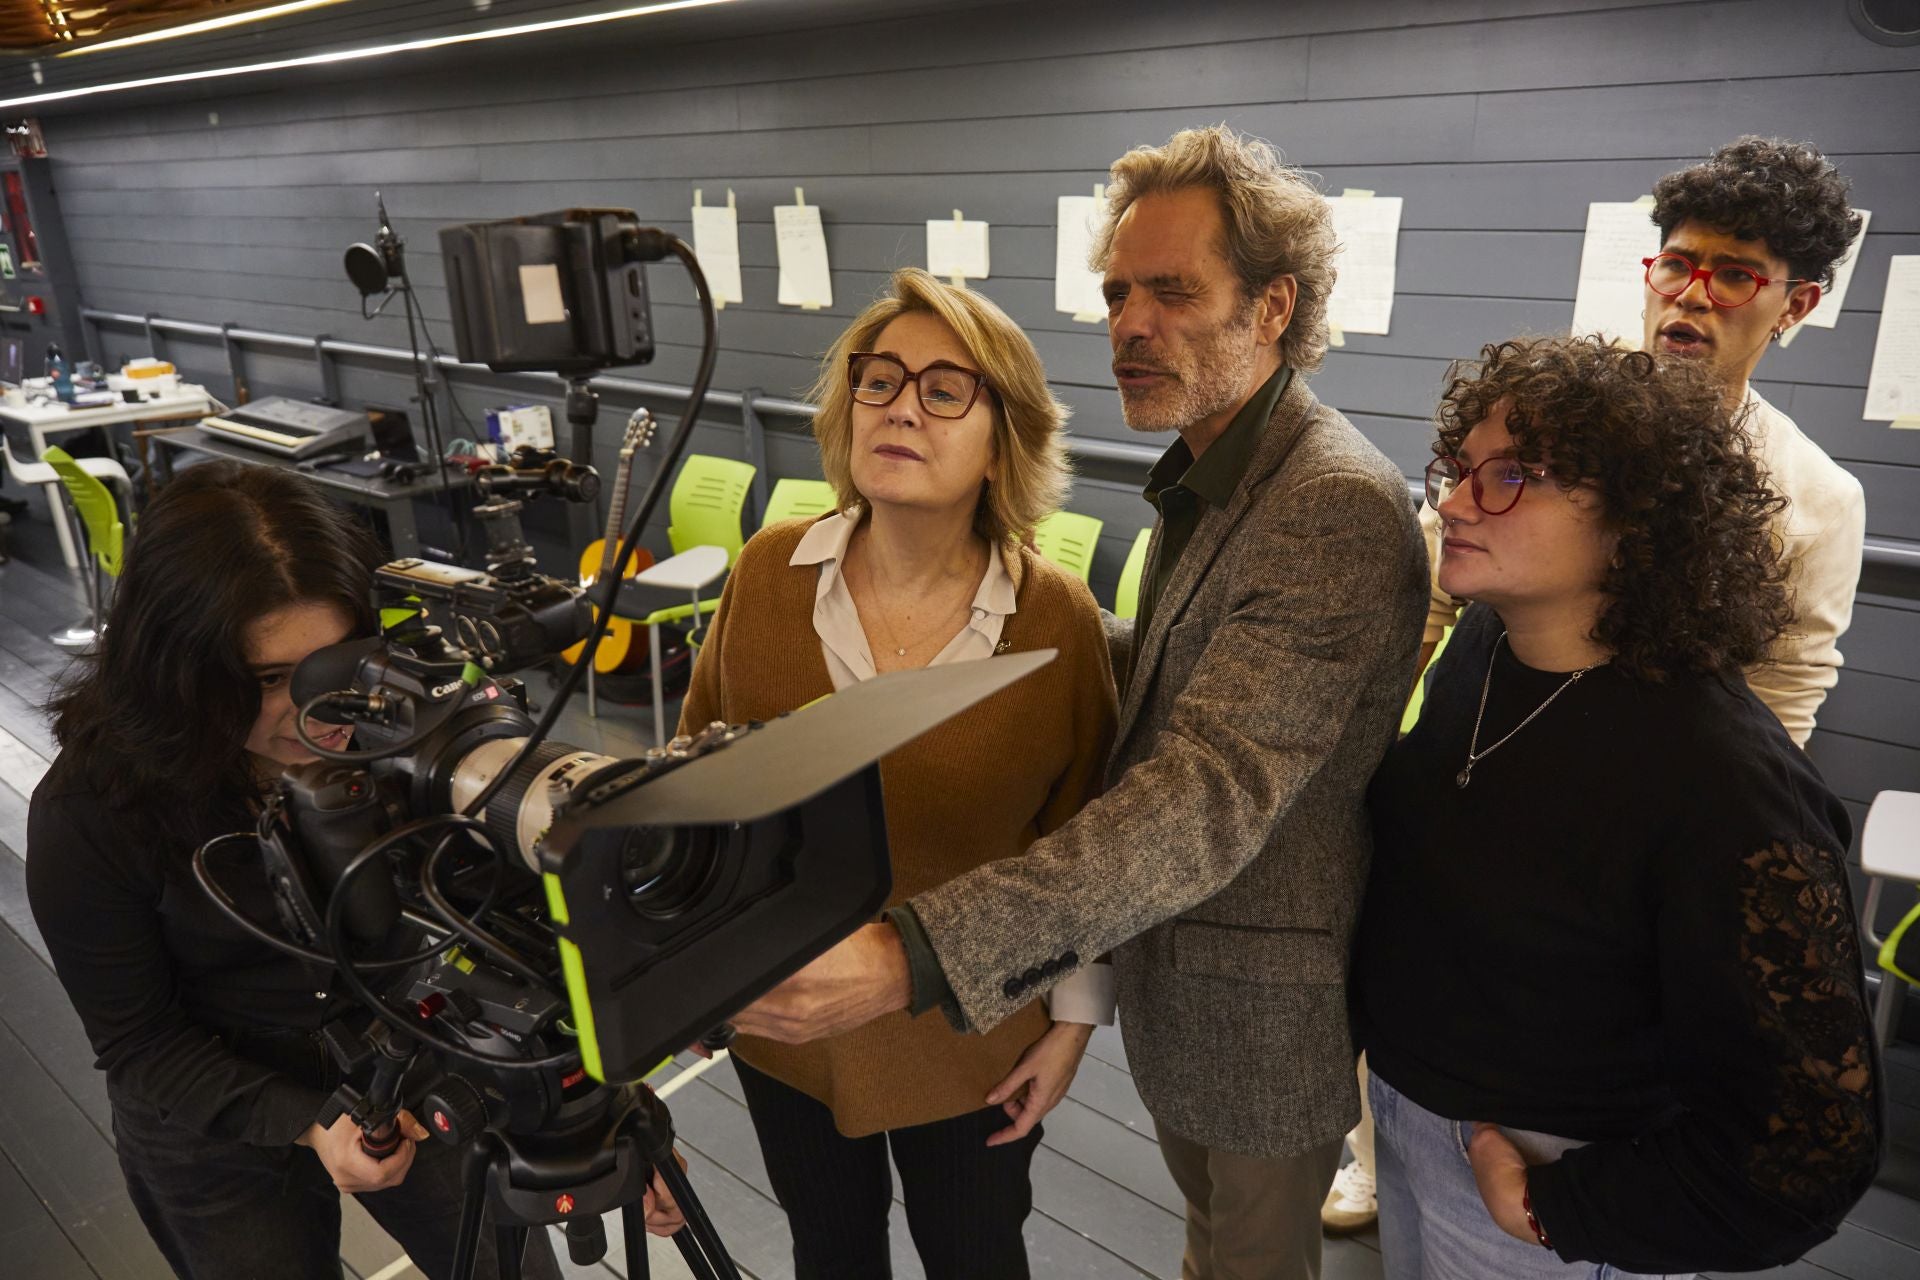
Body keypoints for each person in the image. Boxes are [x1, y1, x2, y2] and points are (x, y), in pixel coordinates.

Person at [727, 126, 1429, 1280]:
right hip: (1174, 1000)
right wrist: (987, 612)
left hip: (1253, 1021)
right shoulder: (1215, 475)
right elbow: (1178, 664)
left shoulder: (1328, 501)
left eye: (1171, 292)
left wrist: (920, 958)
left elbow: (1203, 791)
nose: (1129, 325)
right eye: (1115, 294)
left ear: (1271, 306)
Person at [1330, 133, 1873, 1237]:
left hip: (1613, 931)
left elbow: (1780, 708)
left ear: (1797, 301)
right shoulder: (1540, 428)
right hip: (1451, 989)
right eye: (1676, 263)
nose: (1690, 294)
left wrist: (1670, 847)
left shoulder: (1814, 499)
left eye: (1733, 274)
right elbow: (1437, 594)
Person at [24, 462, 663, 1279]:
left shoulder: (399, 733)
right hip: (209, 1118)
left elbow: (510, 927)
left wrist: (611, 1111)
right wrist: (312, 1121)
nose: (319, 711)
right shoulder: (91, 810)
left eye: (338, 665)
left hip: (403, 1061)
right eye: (267, 681)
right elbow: (143, 1046)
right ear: (180, 671)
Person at [677, 268, 1118, 1279]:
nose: (902, 406)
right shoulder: (767, 571)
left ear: (1005, 433)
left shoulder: (1053, 619)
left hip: (973, 1034)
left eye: (944, 387)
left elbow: (1088, 841)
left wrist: (1073, 1031)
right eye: (880, 380)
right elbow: (698, 772)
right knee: (829, 1253)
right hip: (787, 1028)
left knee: (975, 1255)